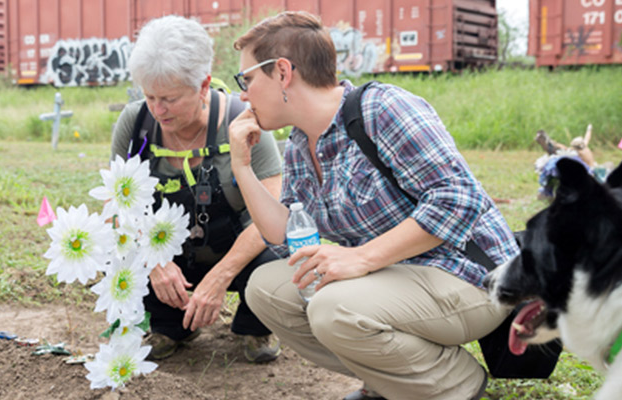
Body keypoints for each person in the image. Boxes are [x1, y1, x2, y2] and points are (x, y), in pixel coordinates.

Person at [228, 11, 520, 400]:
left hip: (468, 277)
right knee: (267, 289)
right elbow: (288, 237)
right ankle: (391, 383)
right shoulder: (300, 143)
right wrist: (242, 167)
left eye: (246, 79)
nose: (242, 96)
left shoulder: (382, 108)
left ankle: (458, 386)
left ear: (282, 73)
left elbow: (457, 198)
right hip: (395, 277)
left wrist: (362, 258)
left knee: (332, 308)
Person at [111, 15, 283, 363]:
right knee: (118, 251)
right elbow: (119, 208)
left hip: (235, 251)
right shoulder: (135, 124)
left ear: (204, 86)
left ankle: (255, 324)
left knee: (282, 250)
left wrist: (220, 277)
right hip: (171, 252)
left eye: (170, 99)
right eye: (150, 97)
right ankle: (171, 325)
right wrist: (154, 261)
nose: (158, 110)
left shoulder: (245, 122)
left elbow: (275, 212)